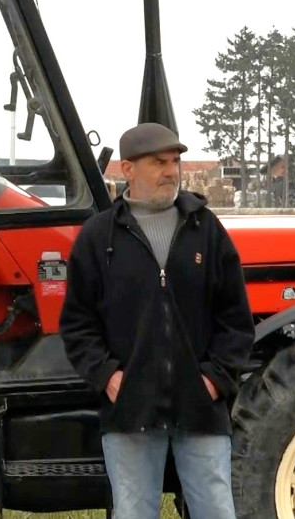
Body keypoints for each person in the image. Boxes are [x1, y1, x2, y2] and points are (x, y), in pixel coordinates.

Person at [59, 122, 254, 519]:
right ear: (128, 169)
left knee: (216, 510)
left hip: (201, 409)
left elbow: (236, 319)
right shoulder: (99, 237)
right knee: (133, 512)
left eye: (175, 161)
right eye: (158, 162)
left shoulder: (207, 231)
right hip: (130, 411)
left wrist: (215, 381)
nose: (171, 171)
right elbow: (78, 323)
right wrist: (109, 377)